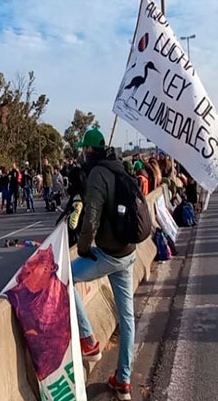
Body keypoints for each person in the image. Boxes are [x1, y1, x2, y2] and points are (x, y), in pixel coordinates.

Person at [71, 128, 136, 400]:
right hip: (129, 253)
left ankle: (89, 341)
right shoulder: (120, 168)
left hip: (109, 255)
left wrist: (84, 250)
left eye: (84, 149)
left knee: (62, 277)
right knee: (127, 318)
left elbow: (91, 220)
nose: (83, 154)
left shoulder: (98, 173)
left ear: (90, 150)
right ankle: (123, 379)